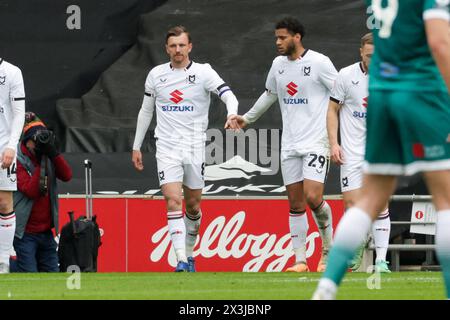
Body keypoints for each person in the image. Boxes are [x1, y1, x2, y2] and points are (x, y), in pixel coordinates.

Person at [313, 0, 450, 299]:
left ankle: (326, 288)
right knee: (445, 199)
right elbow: (440, 44)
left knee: (369, 201)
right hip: (419, 90)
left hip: (384, 95)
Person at [228, 17, 338, 272]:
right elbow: (270, 94)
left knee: (313, 197)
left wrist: (340, 133)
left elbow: (340, 93)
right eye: (276, 37)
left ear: (297, 37)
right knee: (295, 203)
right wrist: (246, 119)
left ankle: (328, 251)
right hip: (289, 144)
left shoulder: (319, 63)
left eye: (283, 37)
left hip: (316, 141)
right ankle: (300, 260)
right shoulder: (278, 65)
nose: (278, 42)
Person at [132, 26, 239, 272]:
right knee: (172, 200)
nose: (177, 50)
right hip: (167, 147)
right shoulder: (156, 74)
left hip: (194, 147)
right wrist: (136, 145)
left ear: (190, 47)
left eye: (182, 45)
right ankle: (180, 259)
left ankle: (189, 254)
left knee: (193, 205)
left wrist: (232, 113)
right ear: (166, 48)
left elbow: (228, 95)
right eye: (173, 46)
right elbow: (146, 110)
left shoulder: (204, 72)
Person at [326, 32, 391, 273]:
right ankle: (360, 240)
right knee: (352, 206)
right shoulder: (345, 75)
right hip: (352, 152)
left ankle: (381, 261)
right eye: (369, 55)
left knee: (380, 205)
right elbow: (332, 109)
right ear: (361, 52)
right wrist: (334, 143)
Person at [12, 112, 72, 272]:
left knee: (52, 278)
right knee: (29, 278)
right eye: (36, 141)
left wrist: (53, 153)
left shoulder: (48, 155)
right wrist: (42, 162)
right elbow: (31, 191)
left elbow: (67, 175)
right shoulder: (16, 160)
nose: (39, 145)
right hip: (25, 234)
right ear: (27, 141)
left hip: (46, 233)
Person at [0, 57, 25, 273]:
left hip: (2, 146)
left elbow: (18, 114)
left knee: (4, 201)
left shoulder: (12, 71)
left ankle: (3, 261)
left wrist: (11, 146)